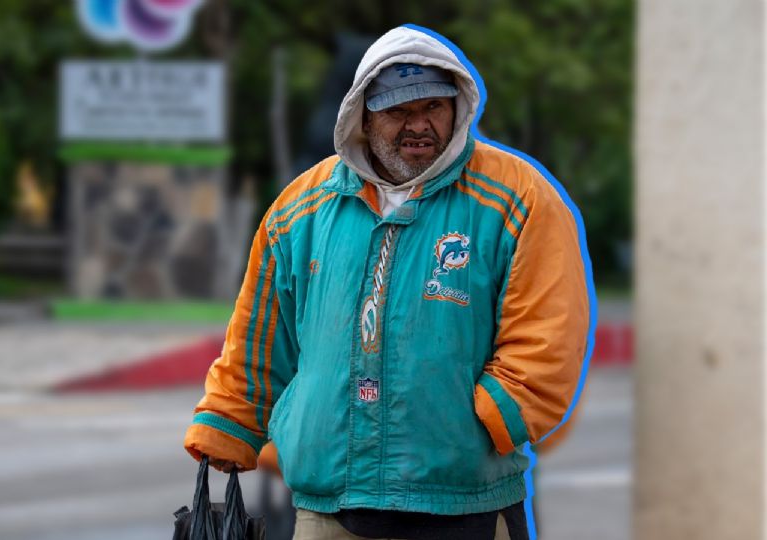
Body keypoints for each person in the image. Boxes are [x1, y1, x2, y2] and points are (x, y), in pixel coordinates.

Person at [183, 24, 590, 540]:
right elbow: (262, 339)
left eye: (434, 108)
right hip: (328, 506)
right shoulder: (299, 210)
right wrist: (228, 424)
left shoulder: (519, 198)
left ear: (457, 107)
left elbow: (551, 331)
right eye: (399, 111)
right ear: (363, 114)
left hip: (466, 502)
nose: (420, 126)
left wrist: (491, 419)